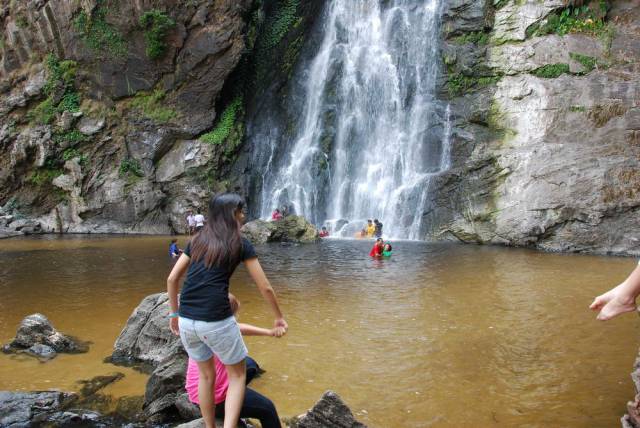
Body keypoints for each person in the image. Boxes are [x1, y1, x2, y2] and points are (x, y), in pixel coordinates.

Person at [166, 193, 288, 428]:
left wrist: (174, 315)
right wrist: (279, 318)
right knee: (238, 375)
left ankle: (210, 426)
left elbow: (172, 279)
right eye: (241, 211)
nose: (243, 216)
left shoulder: (198, 240)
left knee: (205, 376)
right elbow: (265, 287)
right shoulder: (240, 243)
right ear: (234, 214)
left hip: (187, 320)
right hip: (214, 320)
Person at [186, 294, 284, 428]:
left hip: (196, 393)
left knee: (250, 365)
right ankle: (232, 409)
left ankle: (238, 407)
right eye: (234, 316)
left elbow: (238, 327)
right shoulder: (226, 336)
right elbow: (236, 371)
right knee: (268, 409)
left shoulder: (203, 325)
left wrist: (268, 332)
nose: (235, 319)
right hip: (215, 401)